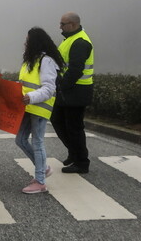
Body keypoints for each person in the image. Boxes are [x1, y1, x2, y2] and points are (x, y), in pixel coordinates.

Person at [16, 27, 64, 194]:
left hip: (38, 107)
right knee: (20, 140)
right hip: (27, 107)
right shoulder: (30, 60)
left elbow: (49, 88)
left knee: (37, 143)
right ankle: (43, 168)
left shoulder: (46, 61)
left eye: (27, 40)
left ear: (34, 43)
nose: (25, 43)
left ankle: (40, 181)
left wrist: (30, 97)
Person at [50, 12, 94, 174]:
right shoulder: (70, 40)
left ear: (73, 25)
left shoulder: (80, 42)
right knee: (58, 121)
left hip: (76, 91)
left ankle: (82, 162)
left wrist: (61, 86)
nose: (60, 27)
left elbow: (75, 70)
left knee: (74, 127)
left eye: (63, 24)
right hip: (69, 91)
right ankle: (74, 153)